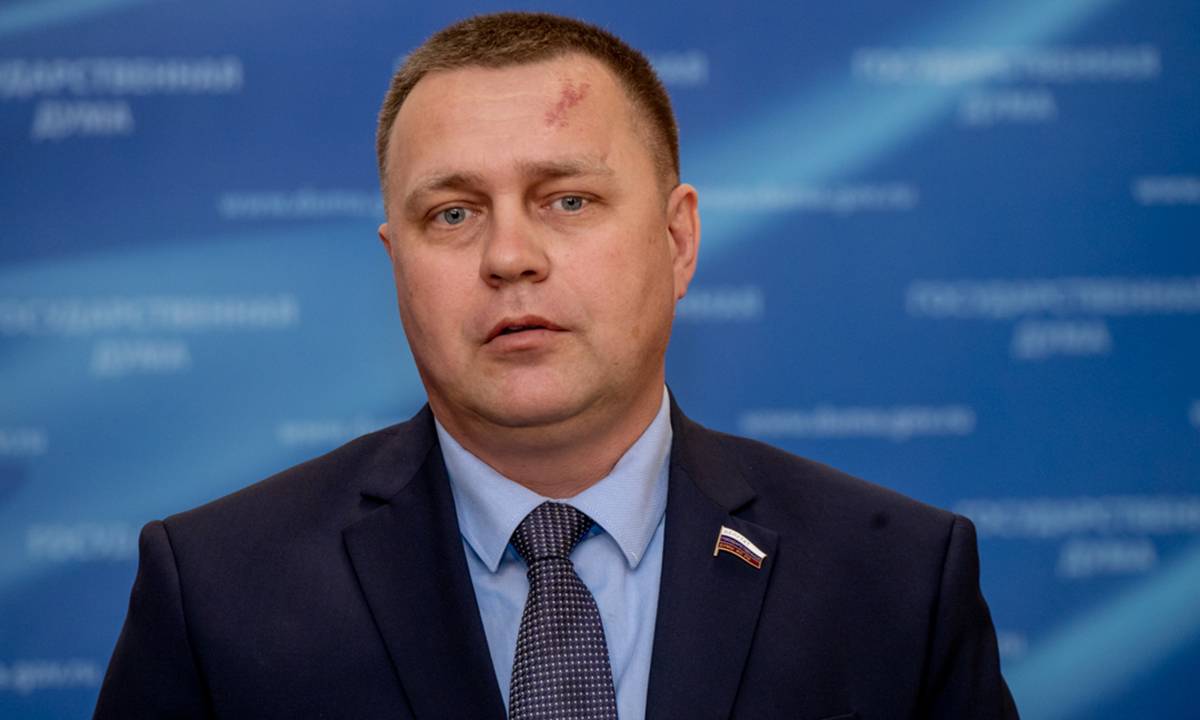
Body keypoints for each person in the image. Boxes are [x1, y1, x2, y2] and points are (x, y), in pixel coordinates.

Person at [94, 12, 1018, 720]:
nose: (509, 257)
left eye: (567, 200)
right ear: (395, 263)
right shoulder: (216, 592)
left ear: (678, 240)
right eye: (452, 214)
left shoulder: (895, 581)